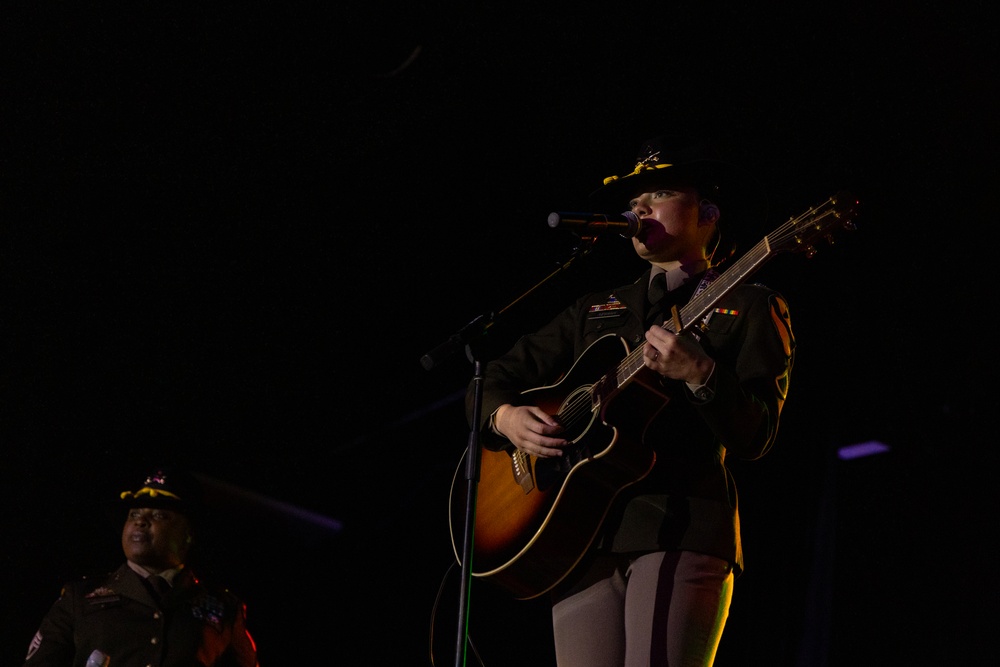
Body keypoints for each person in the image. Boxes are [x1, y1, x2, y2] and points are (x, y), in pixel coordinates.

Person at [466, 134, 795, 666]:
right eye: (632, 200)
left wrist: (702, 374)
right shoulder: (598, 307)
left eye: (658, 192)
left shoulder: (751, 305)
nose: (638, 207)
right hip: (580, 537)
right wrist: (506, 418)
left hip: (680, 521)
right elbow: (492, 378)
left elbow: (757, 435)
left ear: (707, 213)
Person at [22, 467, 259, 667]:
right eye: (134, 513)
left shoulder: (223, 607)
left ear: (190, 533)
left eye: (159, 515)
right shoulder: (79, 598)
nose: (140, 521)